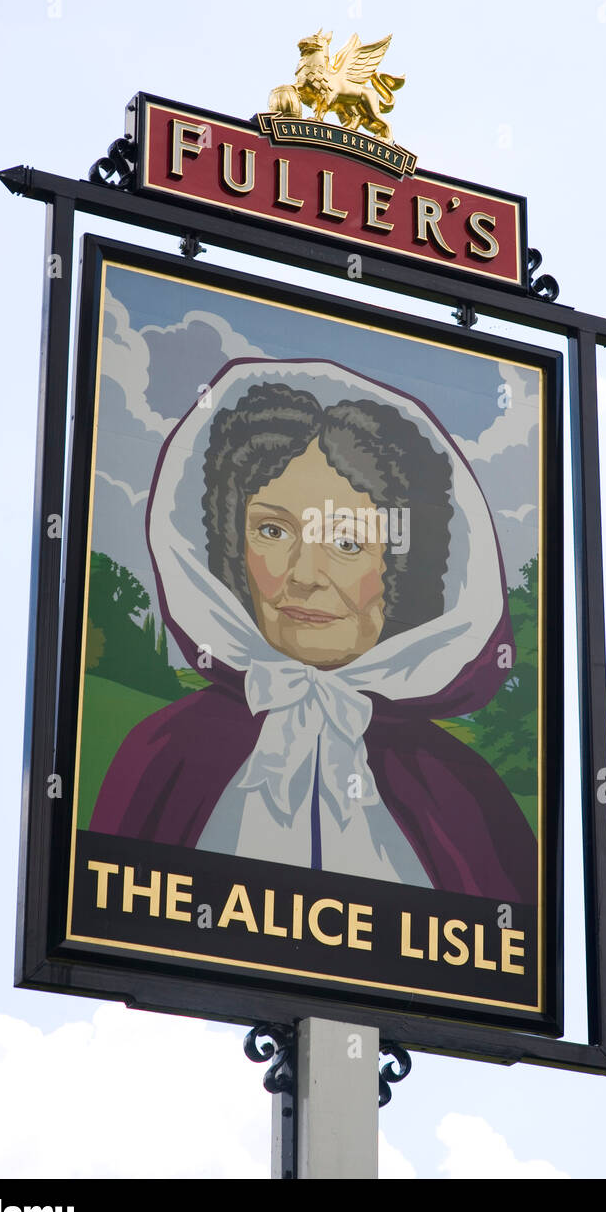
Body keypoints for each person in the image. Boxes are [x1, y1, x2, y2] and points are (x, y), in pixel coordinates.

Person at [90, 357, 536, 902]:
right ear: (232, 543)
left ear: (405, 568)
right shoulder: (167, 753)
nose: (303, 576)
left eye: (347, 543)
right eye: (273, 530)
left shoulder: (460, 793)